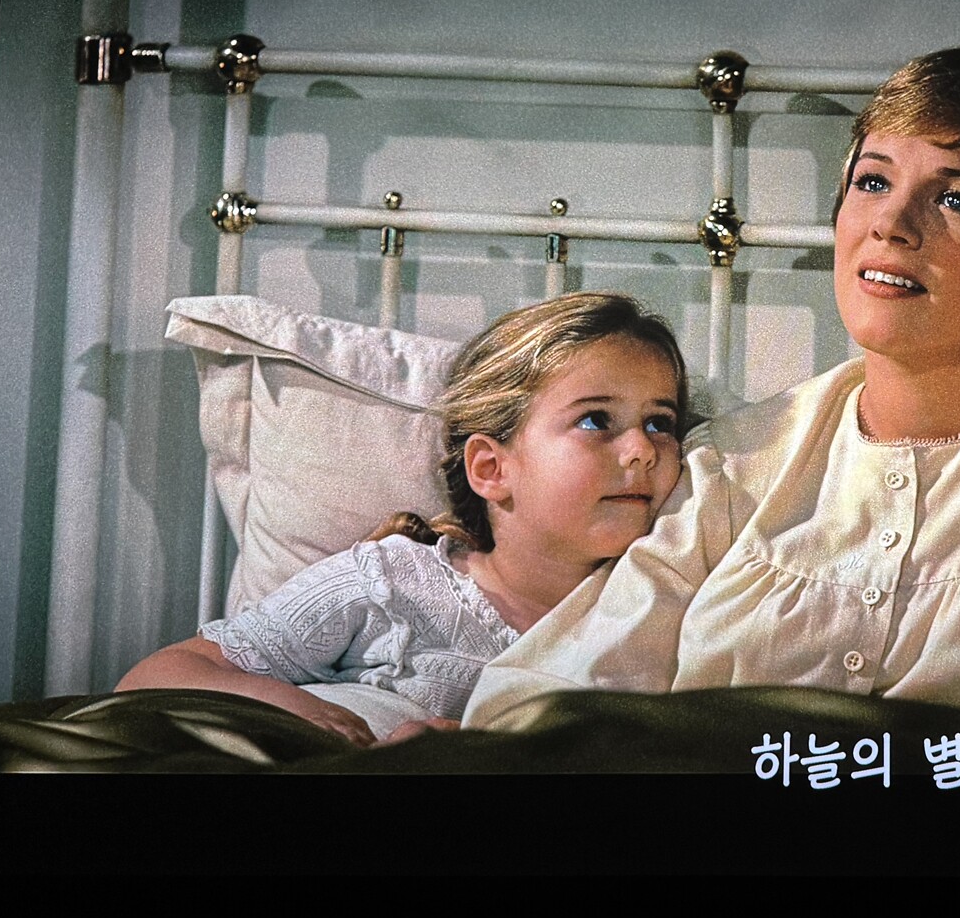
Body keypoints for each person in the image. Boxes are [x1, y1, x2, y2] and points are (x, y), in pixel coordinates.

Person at [464, 47, 960, 727]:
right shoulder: (734, 466)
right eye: (873, 182)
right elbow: (554, 700)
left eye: (956, 199)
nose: (890, 224)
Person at [116, 292, 689, 745]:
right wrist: (304, 711)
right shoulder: (392, 585)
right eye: (595, 420)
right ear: (491, 468)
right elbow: (160, 675)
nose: (642, 450)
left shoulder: (660, 602)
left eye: (660, 423)